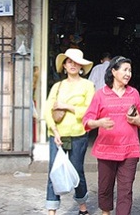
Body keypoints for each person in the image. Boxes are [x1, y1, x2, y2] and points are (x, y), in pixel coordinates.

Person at [83, 56, 140, 215]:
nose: (128, 74)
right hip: (106, 149)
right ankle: (106, 212)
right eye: (125, 70)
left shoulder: (134, 93)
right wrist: (99, 123)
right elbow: (87, 120)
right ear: (113, 71)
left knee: (126, 190)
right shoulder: (100, 94)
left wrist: (138, 119)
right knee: (105, 187)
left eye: (130, 70)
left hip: (129, 149)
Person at [44, 48, 95, 215]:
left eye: (76, 62)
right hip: (57, 135)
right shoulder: (57, 86)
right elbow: (47, 110)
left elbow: (89, 110)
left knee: (77, 171)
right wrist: (54, 130)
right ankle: (52, 209)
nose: (72, 65)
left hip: (78, 134)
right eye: (69, 62)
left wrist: (67, 106)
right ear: (64, 66)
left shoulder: (88, 85)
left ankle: (82, 207)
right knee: (54, 170)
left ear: (81, 66)